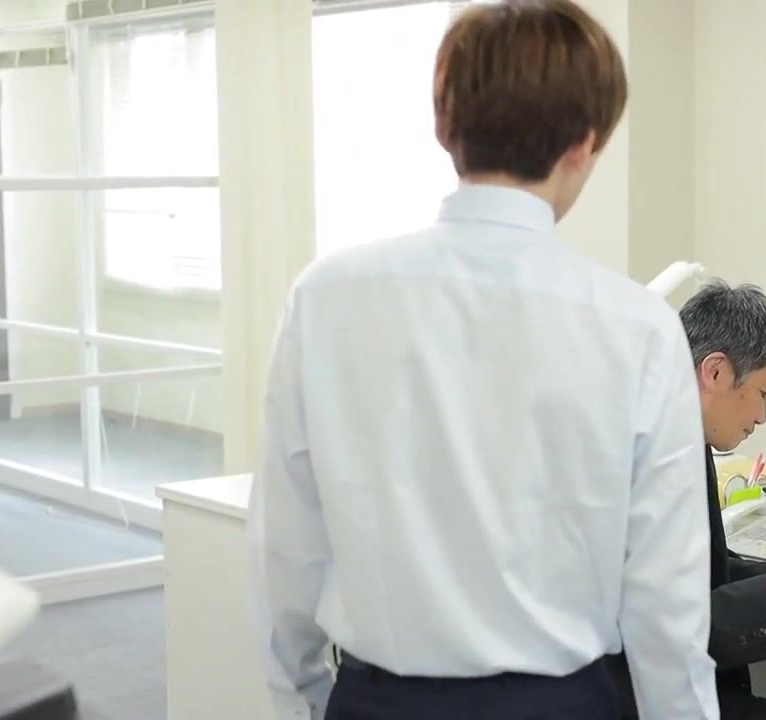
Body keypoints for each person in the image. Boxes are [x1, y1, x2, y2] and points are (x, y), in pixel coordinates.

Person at [246, 2, 719, 719]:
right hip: (560, 706)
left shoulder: (326, 299)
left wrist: (305, 703)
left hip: (375, 702)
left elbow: (285, 551)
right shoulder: (641, 330)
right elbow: (667, 611)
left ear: (444, 121)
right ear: (585, 144)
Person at [611, 281, 766, 720]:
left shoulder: (681, 438)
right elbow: (639, 625)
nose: (761, 417)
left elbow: (702, 573)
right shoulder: (630, 458)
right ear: (716, 372)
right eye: (763, 392)